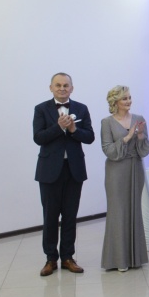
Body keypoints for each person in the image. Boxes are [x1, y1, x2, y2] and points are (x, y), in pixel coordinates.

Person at [33, 73, 95, 276]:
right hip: (49, 171)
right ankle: (51, 259)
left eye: (65, 85)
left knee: (70, 216)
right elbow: (38, 137)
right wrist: (59, 127)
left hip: (74, 170)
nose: (62, 88)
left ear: (72, 88)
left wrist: (74, 129)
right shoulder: (41, 109)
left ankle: (68, 257)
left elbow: (90, 137)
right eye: (58, 85)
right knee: (50, 216)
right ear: (51, 87)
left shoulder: (81, 108)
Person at [100, 86, 149, 271]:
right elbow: (107, 149)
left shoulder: (139, 118)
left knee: (134, 210)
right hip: (116, 171)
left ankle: (135, 259)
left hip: (135, 167)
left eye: (129, 97)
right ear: (115, 102)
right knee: (118, 211)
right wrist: (127, 137)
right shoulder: (107, 122)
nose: (129, 101)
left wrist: (140, 135)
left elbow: (145, 149)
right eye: (124, 98)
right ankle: (118, 260)